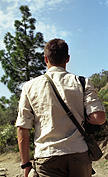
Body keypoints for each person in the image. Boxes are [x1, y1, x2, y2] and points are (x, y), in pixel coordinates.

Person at [16, 38, 106, 177]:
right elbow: (99, 118)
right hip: (78, 153)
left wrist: (26, 164)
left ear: (45, 59)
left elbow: (23, 128)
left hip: (46, 156)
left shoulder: (29, 87)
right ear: (68, 58)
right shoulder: (82, 82)